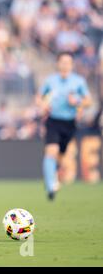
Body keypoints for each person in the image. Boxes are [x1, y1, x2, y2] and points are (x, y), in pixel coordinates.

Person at [36, 52, 92, 201]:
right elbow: (39, 98)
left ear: (72, 65)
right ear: (58, 64)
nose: (65, 65)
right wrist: (43, 105)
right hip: (53, 121)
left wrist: (78, 101)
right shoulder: (50, 81)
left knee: (60, 155)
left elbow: (88, 101)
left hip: (69, 123)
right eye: (62, 62)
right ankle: (50, 187)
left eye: (68, 62)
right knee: (51, 151)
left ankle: (53, 175)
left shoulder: (78, 81)